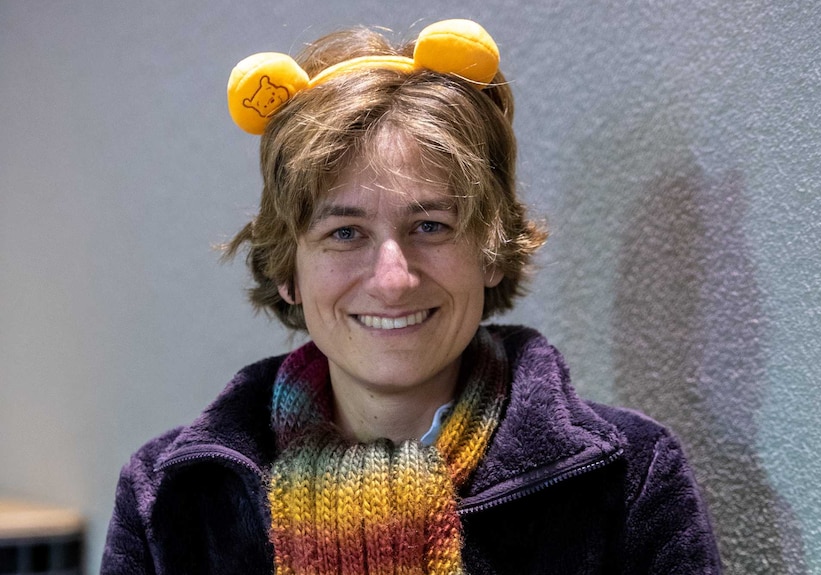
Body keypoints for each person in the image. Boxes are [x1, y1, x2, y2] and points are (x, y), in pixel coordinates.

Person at [101, 19, 721, 575]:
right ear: (287, 266)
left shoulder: (630, 479)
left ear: (489, 251)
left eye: (430, 226)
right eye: (345, 233)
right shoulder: (171, 496)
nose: (393, 278)